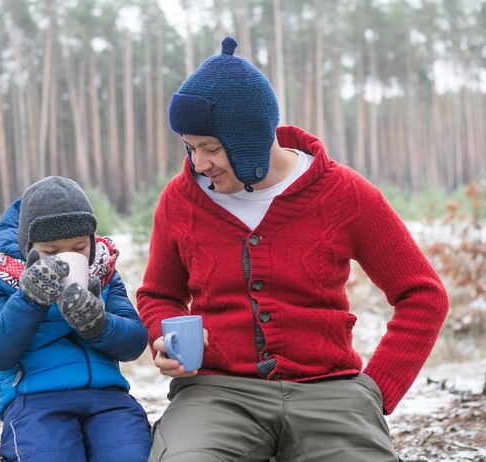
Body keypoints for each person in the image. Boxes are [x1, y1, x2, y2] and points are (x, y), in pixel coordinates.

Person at [136, 36, 448, 462]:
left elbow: (423, 294)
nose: (199, 164)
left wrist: (377, 389)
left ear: (251, 138)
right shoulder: (181, 200)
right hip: (216, 394)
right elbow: (160, 295)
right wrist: (164, 337)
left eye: (212, 148)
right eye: (190, 148)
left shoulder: (344, 194)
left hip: (330, 392)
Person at [0, 176, 151, 462]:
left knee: (132, 453)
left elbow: (134, 342)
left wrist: (98, 325)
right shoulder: (2, 280)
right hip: (34, 403)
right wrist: (30, 299)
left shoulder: (104, 273)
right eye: (51, 252)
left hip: (108, 399)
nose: (67, 258)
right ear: (27, 246)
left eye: (79, 248)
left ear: (91, 242)